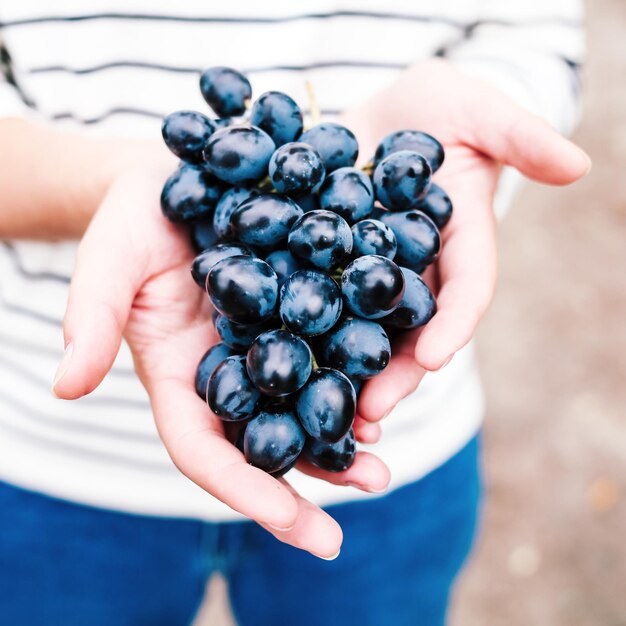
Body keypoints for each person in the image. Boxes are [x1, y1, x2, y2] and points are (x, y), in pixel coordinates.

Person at [0, 2, 589, 625]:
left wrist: (488, 106)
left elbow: (535, 33)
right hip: (54, 464)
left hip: (393, 449)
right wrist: (108, 180)